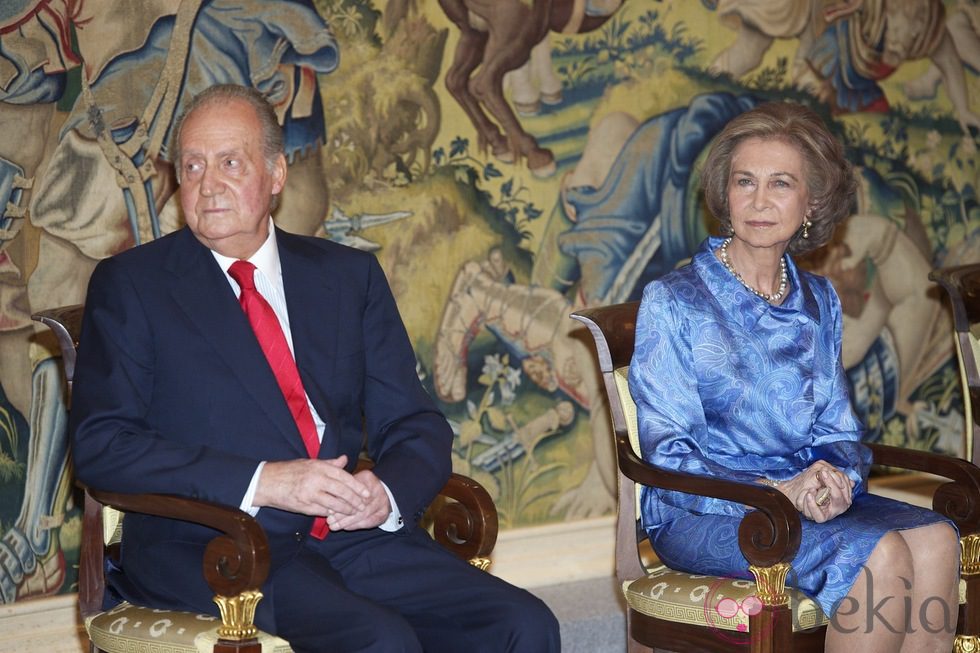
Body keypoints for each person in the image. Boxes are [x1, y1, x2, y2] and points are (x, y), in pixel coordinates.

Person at [69, 83, 561, 653]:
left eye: (231, 162)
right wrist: (265, 481)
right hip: (219, 546)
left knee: (524, 624)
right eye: (193, 165)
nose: (208, 185)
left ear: (276, 174)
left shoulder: (347, 277)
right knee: (382, 642)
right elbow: (103, 446)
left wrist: (387, 494)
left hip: (353, 531)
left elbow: (415, 423)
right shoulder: (133, 286)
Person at [628, 101, 960, 652]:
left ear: (812, 203)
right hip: (702, 508)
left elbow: (838, 432)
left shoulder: (819, 299)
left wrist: (837, 484)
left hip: (803, 499)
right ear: (725, 195)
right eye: (745, 182)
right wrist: (778, 491)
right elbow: (669, 456)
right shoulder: (674, 302)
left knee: (935, 538)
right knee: (879, 556)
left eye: (781, 184)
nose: (759, 201)